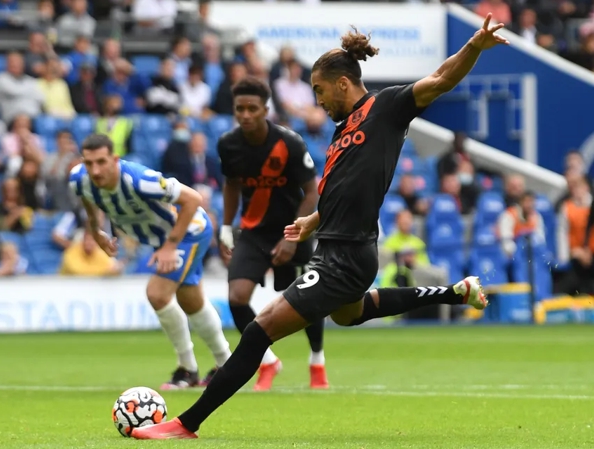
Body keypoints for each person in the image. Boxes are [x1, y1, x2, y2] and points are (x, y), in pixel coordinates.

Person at [131, 15, 507, 439]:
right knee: (352, 313)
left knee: (259, 331)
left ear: (343, 83)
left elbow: (439, 79)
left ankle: (186, 423)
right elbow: (344, 187)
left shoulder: (386, 108)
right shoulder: (343, 130)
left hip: (345, 256)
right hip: (338, 247)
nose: (319, 100)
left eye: (320, 90)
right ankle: (455, 292)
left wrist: (474, 46)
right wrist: (313, 219)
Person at [69, 133, 232, 389]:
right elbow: (89, 201)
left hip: (189, 232)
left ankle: (187, 369)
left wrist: (170, 246)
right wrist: (96, 231)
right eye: (89, 163)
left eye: (101, 162)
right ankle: (227, 364)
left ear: (115, 159)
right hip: (162, 240)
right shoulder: (80, 180)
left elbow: (193, 199)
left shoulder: (140, 180)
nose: (95, 170)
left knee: (157, 294)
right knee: (191, 302)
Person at [217, 77, 326, 391]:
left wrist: (293, 237)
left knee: (310, 303)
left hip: (294, 228)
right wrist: (226, 227)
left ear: (266, 109)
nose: (246, 114)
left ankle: (317, 362)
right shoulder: (228, 144)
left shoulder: (290, 143)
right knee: (237, 298)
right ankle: (267, 361)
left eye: (253, 108)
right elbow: (232, 185)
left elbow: (311, 193)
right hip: (253, 232)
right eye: (240, 109)